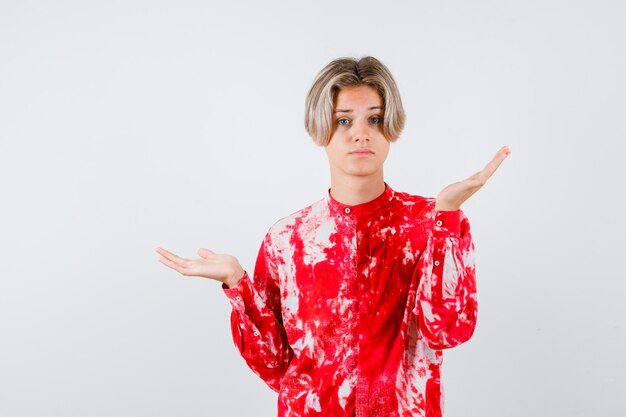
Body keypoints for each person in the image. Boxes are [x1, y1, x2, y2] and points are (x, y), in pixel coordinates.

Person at [156, 56, 510, 417]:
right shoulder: (288, 240)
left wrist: (447, 214)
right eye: (344, 121)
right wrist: (237, 283)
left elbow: (447, 331)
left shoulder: (429, 223)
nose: (361, 133)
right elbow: (276, 367)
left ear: (390, 127)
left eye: (374, 119)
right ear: (321, 129)